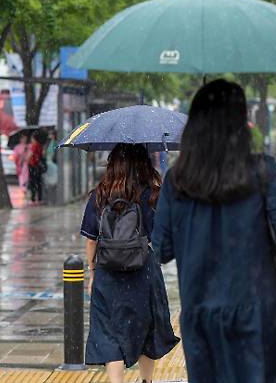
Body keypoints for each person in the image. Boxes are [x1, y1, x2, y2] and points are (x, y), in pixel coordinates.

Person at [152, 79, 276, 383]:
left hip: (202, 318)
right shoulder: (263, 171)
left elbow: (161, 249)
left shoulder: (176, 180)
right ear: (241, 124)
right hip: (258, 314)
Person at [80, 143, 179, 383]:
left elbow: (91, 240)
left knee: (108, 333)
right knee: (146, 328)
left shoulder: (100, 194)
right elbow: (162, 238)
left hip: (106, 272)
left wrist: (92, 273)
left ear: (113, 163)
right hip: (143, 272)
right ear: (145, 163)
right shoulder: (153, 193)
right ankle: (146, 381)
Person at [27, 132, 44, 203]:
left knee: (33, 183)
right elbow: (42, 154)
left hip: (33, 166)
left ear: (34, 138)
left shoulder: (34, 145)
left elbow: (30, 154)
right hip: (38, 166)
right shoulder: (40, 146)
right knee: (38, 182)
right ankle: (39, 198)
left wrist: (26, 159)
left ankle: (33, 198)